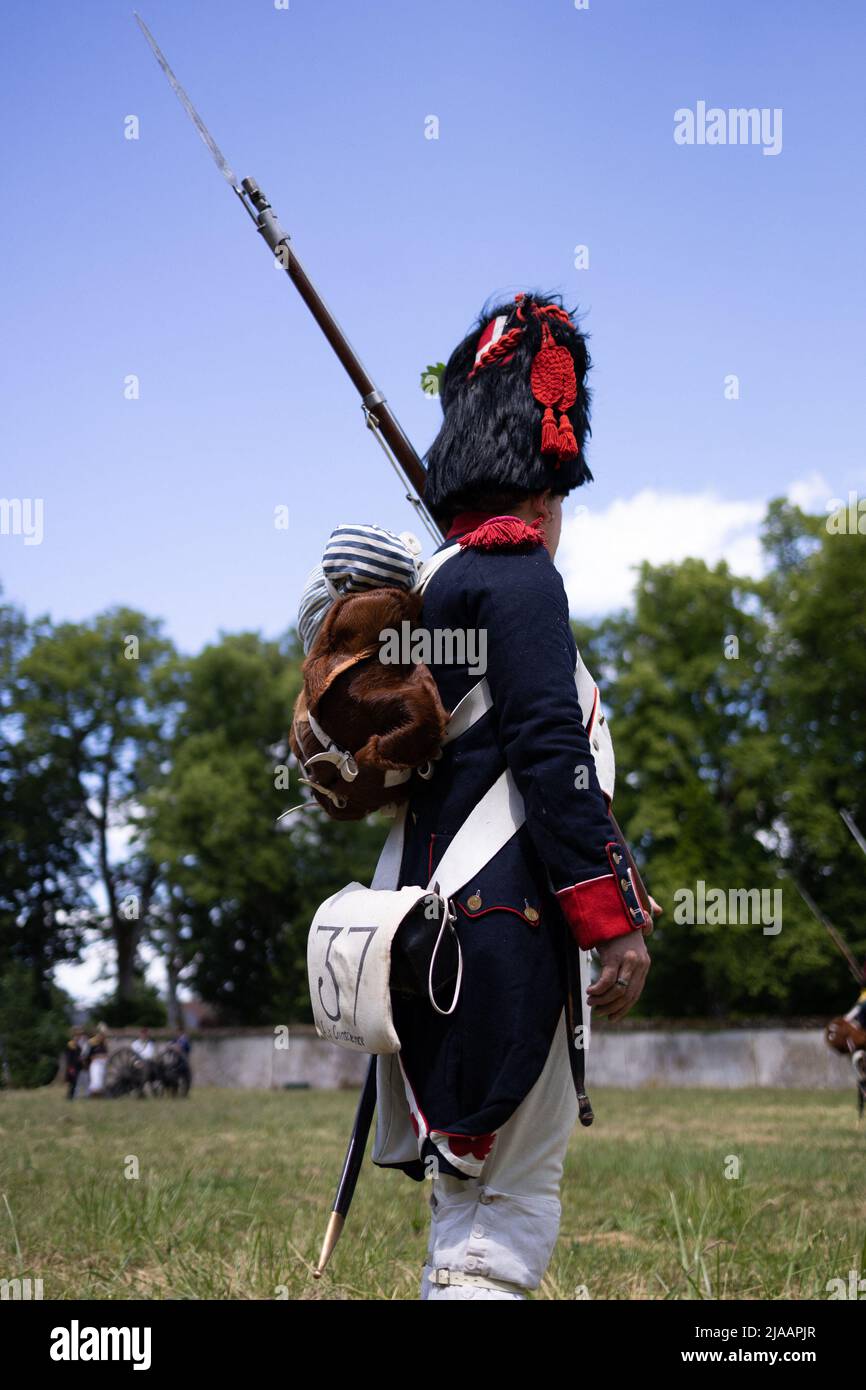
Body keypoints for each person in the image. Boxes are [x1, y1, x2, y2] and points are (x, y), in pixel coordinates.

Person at [371, 292, 654, 1300]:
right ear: (544, 480)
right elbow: (548, 753)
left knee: (466, 1206)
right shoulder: (519, 577)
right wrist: (612, 918)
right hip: (503, 934)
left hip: (417, 935)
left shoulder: (429, 585)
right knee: (512, 1208)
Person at [63, 1029, 86, 1100]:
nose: (78, 1037)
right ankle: (69, 1097)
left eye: (79, 1036)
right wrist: (70, 1068)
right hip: (72, 1067)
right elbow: (68, 1058)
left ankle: (72, 1096)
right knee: (72, 1083)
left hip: (78, 1066)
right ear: (73, 1036)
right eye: (77, 1036)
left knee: (75, 1082)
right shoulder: (70, 1045)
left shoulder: (78, 1046)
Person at [87, 1024, 109, 1097]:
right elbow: (89, 1055)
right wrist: (99, 1056)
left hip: (103, 1064)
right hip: (95, 1064)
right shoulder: (92, 1042)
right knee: (95, 1079)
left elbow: (106, 1053)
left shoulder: (104, 1042)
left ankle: (100, 1094)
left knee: (102, 1080)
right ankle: (93, 1094)